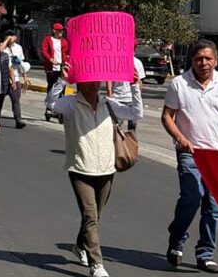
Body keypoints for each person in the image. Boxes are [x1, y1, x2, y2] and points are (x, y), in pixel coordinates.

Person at [161, 39, 218, 274]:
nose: (203, 63)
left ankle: (205, 253)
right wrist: (180, 137)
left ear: (216, 61)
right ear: (192, 60)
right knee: (191, 198)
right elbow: (167, 116)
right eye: (199, 58)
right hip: (190, 153)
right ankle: (176, 241)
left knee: (213, 206)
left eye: (208, 58)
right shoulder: (179, 84)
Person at [46, 62, 143, 277]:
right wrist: (62, 79)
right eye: (88, 81)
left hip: (107, 169)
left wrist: (135, 87)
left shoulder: (108, 104)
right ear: (80, 82)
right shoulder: (70, 104)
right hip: (81, 168)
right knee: (90, 216)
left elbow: (136, 113)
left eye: (95, 81)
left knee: (95, 217)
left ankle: (81, 245)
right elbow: (51, 104)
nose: (92, 85)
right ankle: (96, 264)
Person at [107, 42, 146, 131]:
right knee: (117, 127)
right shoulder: (116, 60)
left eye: (134, 47)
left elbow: (140, 82)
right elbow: (109, 78)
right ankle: (117, 143)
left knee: (132, 128)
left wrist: (138, 96)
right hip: (117, 98)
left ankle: (131, 144)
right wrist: (109, 92)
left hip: (131, 99)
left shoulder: (137, 63)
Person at [41, 23, 69, 116]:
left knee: (62, 88)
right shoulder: (48, 39)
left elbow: (67, 52)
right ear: (54, 31)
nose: (61, 32)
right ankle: (49, 107)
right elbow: (43, 51)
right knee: (51, 87)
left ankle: (59, 108)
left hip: (62, 67)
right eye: (59, 30)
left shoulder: (64, 41)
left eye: (62, 31)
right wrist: (50, 59)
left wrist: (67, 59)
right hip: (51, 67)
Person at [1, 30, 27, 129]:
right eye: (8, 36)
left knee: (16, 99)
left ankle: (18, 120)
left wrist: (24, 76)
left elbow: (21, 63)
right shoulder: (2, 46)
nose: (10, 38)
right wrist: (6, 41)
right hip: (3, 77)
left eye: (12, 36)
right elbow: (0, 51)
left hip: (15, 77)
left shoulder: (18, 48)